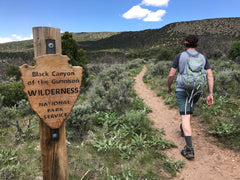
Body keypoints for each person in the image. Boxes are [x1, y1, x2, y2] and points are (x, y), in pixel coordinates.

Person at [167, 35, 214, 159]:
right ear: (196, 44)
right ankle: (184, 128)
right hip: (197, 90)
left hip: (183, 89)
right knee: (190, 109)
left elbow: (171, 74)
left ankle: (189, 149)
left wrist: (169, 86)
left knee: (185, 115)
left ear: (185, 44)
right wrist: (210, 93)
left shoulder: (180, 56)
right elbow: (210, 76)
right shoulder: (203, 57)